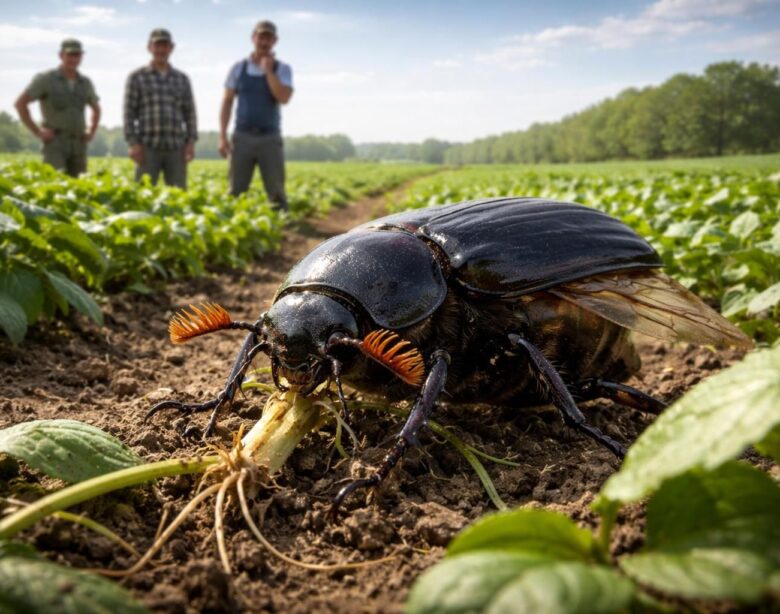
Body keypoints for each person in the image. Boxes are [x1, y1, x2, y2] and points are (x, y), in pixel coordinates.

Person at [219, 20, 293, 210]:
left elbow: (283, 97)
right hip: (242, 136)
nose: (264, 41)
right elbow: (227, 101)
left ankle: (279, 233)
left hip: (270, 137)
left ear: (275, 41)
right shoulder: (238, 68)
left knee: (276, 191)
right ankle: (234, 230)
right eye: (261, 36)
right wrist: (222, 136)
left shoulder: (282, 69)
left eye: (269, 37)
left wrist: (268, 70)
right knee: (236, 189)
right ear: (253, 38)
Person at [14, 39, 101, 177]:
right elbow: (20, 104)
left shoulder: (85, 82)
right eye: (70, 55)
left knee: (80, 187)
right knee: (54, 183)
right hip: (55, 143)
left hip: (79, 144)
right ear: (61, 56)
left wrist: (91, 131)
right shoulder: (46, 79)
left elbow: (96, 109)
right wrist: (38, 132)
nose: (73, 59)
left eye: (77, 55)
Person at [124, 28, 197, 189]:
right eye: (157, 46)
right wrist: (133, 143)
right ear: (149, 47)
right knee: (143, 195)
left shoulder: (182, 79)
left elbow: (190, 113)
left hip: (176, 147)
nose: (161, 50)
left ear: (171, 48)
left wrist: (191, 142)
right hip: (148, 147)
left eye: (165, 46)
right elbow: (128, 113)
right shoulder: (137, 77)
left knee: (178, 196)